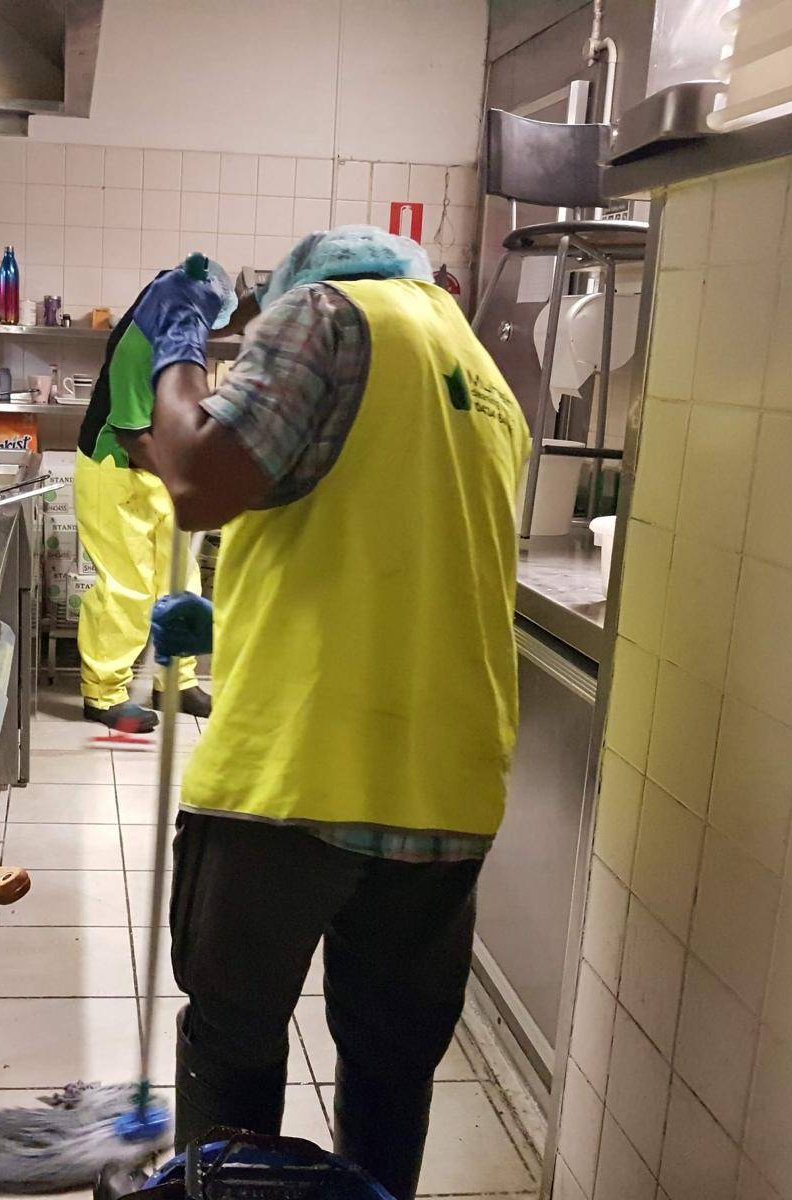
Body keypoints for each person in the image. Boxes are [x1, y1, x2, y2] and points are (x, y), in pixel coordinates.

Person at [135, 231, 531, 1200]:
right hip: (446, 788)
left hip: (292, 777)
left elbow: (197, 480)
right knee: (391, 1066)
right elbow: (393, 550)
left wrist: (177, 354)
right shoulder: (484, 375)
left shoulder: (328, 316)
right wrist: (230, 617)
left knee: (233, 1045)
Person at [71, 263, 244, 732]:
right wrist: (188, 479)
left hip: (157, 470)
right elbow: (131, 436)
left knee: (180, 579)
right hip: (115, 470)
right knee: (126, 588)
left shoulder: (176, 332)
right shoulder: (140, 343)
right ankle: (104, 692)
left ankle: (177, 681)